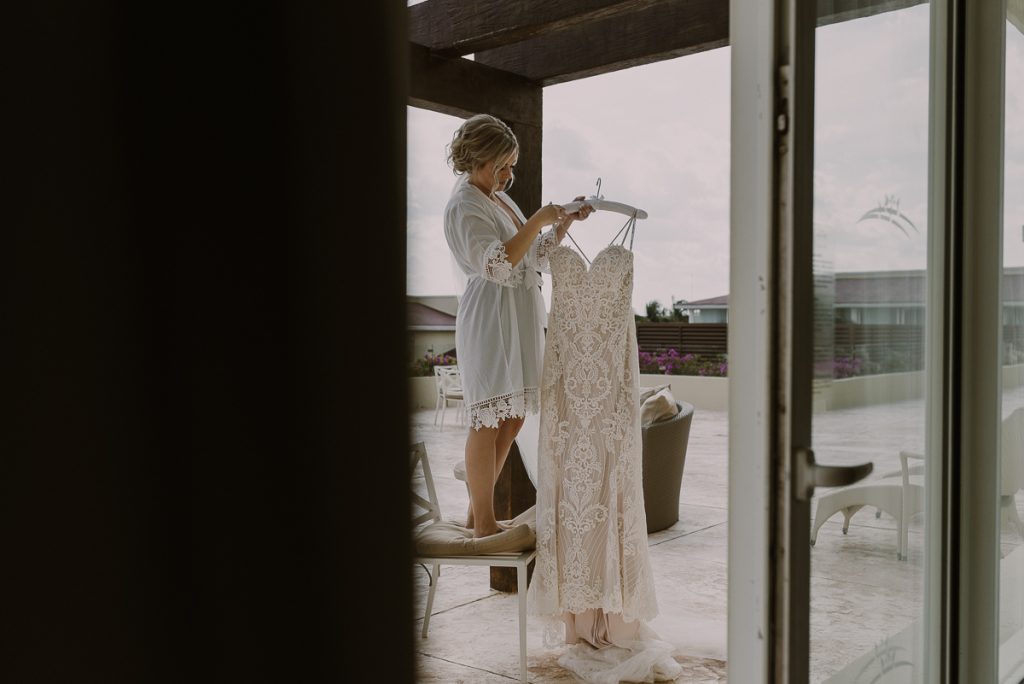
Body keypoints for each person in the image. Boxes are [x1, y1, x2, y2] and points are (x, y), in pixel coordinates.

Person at [443, 113, 592, 538]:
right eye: (503, 165)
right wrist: (535, 221)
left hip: (518, 316)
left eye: (512, 165)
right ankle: (484, 523)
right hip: (490, 320)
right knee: (487, 419)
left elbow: (532, 256)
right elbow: (496, 262)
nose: (509, 175)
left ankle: (478, 514)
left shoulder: (498, 199)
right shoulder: (464, 204)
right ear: (479, 158)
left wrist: (561, 224)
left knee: (513, 418)